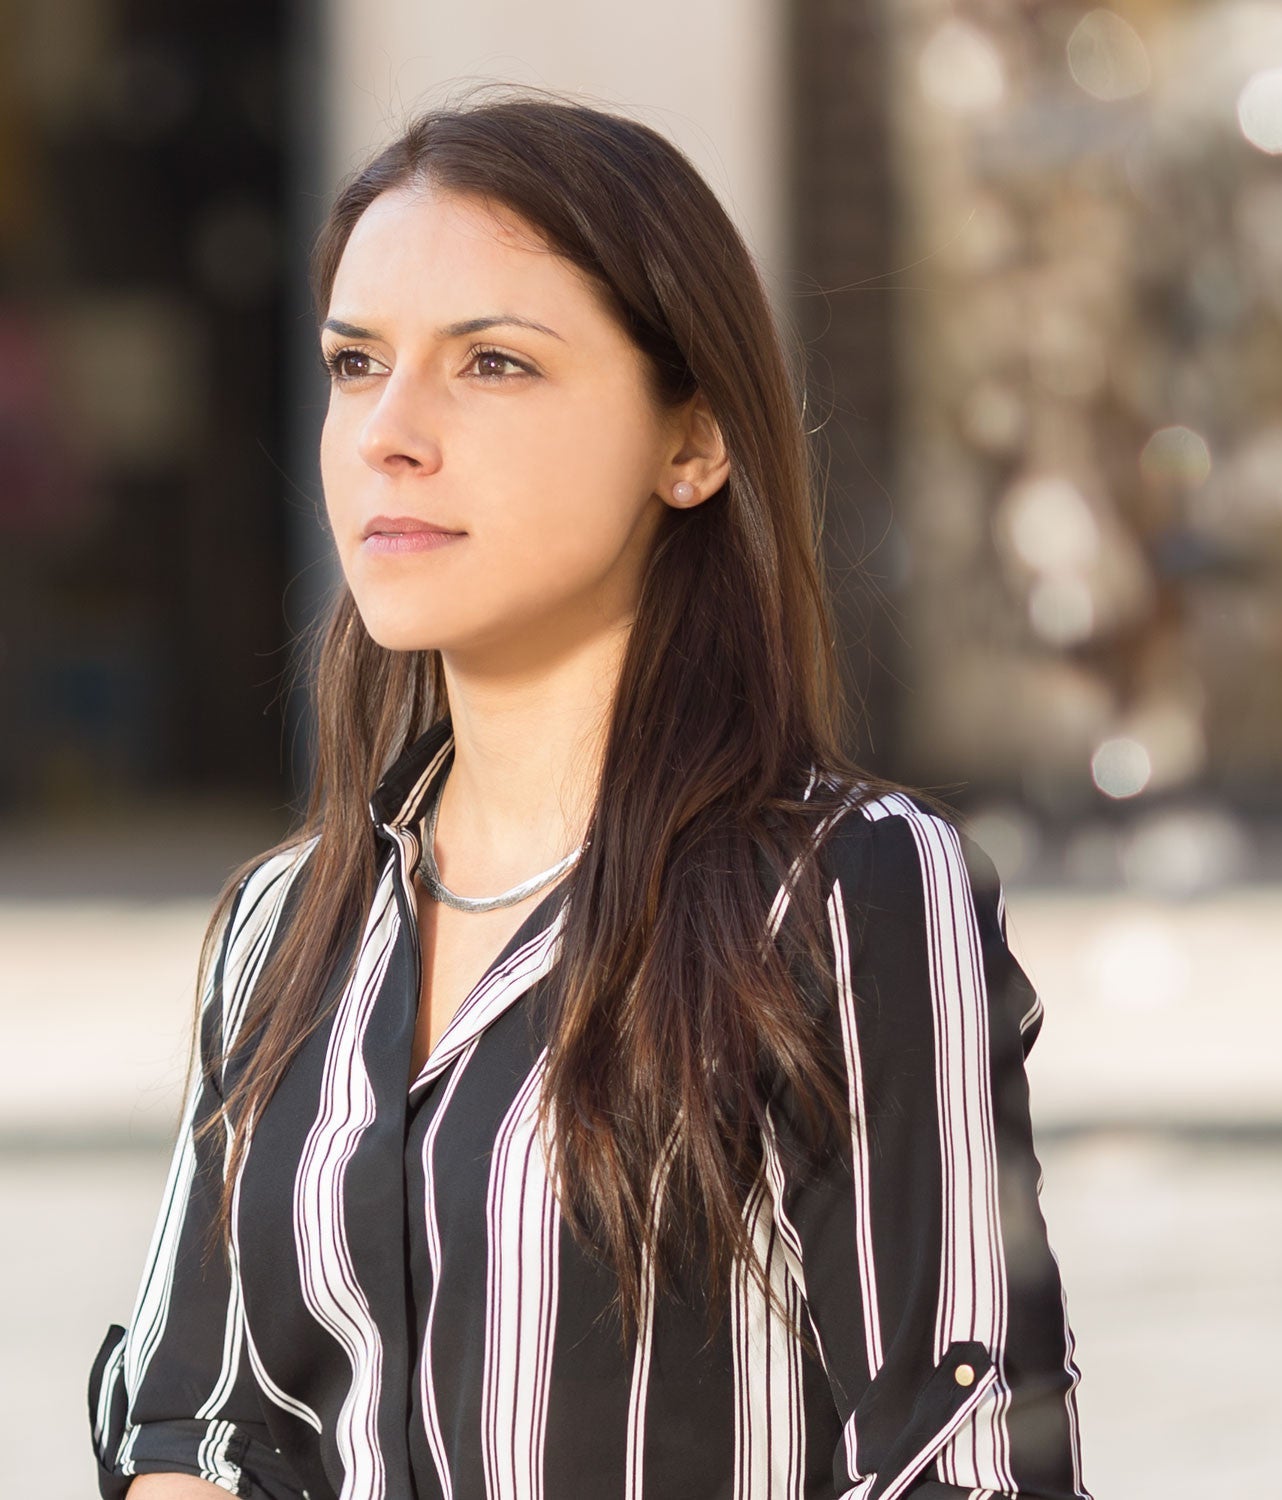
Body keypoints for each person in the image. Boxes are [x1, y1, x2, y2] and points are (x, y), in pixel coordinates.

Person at [86, 88, 1090, 1500]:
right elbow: (195, 1429)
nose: (388, 433)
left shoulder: (844, 892)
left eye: (493, 363)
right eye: (357, 363)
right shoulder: (284, 926)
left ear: (692, 442)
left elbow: (961, 1455)